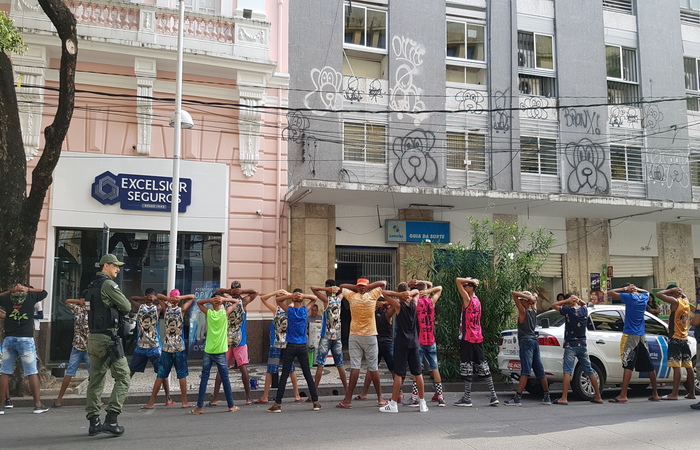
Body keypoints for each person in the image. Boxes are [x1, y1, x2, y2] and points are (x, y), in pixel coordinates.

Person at [84, 254, 132, 435]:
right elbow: (126, 305)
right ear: (106, 266)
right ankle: (111, 419)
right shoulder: (108, 285)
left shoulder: (91, 286)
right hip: (108, 339)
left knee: (95, 380)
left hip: (93, 338)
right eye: (115, 266)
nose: (118, 269)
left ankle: (93, 422)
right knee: (124, 377)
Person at [267, 289, 322, 413]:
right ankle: (316, 402)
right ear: (302, 300)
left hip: (290, 345)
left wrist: (292, 295)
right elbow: (314, 298)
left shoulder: (290, 311)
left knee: (285, 374)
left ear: (292, 300)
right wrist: (302, 296)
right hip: (302, 345)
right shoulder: (304, 311)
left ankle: (277, 403)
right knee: (307, 374)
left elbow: (278, 300)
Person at [337, 278, 388, 409]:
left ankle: (348, 400)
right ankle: (380, 399)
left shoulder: (352, 296)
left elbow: (342, 285)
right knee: (373, 368)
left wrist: (356, 287)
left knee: (355, 367)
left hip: (354, 335)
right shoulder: (372, 296)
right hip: (370, 335)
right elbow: (383, 283)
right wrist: (367, 287)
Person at [606, 283, 660, 403]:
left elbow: (609, 292)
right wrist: (636, 288)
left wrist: (625, 289)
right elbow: (646, 291)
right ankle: (655, 393)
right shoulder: (643, 298)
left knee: (628, 364)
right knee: (649, 365)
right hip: (641, 335)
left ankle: (623, 395)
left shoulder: (630, 298)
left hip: (630, 335)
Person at [0, 284, 49, 415]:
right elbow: (44, 292)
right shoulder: (31, 297)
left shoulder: (8, 299)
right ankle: (38, 404)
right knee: (32, 372)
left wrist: (10, 291)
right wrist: (28, 289)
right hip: (26, 339)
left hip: (9, 339)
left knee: (5, 372)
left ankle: (1, 406)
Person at [379, 282, 428, 413]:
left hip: (401, 343)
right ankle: (423, 403)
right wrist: (408, 293)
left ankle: (393, 403)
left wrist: (398, 294)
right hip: (414, 342)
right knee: (417, 373)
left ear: (400, 293)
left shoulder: (398, 305)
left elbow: (383, 293)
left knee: (399, 374)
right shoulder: (414, 303)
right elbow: (417, 292)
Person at [142, 289, 195, 409]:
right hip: (179, 348)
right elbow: (192, 297)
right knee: (182, 375)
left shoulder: (166, 309)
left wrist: (168, 299)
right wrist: (180, 298)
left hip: (166, 348)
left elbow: (159, 297)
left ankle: (151, 402)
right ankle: (184, 401)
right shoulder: (181, 310)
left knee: (160, 375)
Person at [190, 293, 240, 414]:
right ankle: (231, 405)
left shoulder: (209, 313)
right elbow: (236, 302)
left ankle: (199, 407)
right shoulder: (224, 313)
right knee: (225, 379)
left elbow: (198, 303)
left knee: (204, 378)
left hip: (208, 350)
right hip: (220, 351)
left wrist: (211, 300)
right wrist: (223, 299)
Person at [209, 281, 258, 406]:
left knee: (228, 368)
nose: (235, 290)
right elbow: (218, 291)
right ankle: (248, 398)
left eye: (237, 289)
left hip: (231, 340)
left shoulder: (231, 301)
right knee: (239, 367)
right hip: (236, 340)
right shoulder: (230, 301)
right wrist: (230, 292)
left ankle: (215, 399)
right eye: (234, 288)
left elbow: (255, 292)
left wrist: (239, 291)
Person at [454, 277, 499, 407]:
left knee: (467, 367)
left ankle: (467, 397)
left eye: (466, 285)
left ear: (471, 287)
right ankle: (493, 395)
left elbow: (457, 280)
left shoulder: (468, 299)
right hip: (478, 336)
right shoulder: (477, 301)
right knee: (482, 365)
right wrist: (472, 281)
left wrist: (472, 281)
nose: (464, 287)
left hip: (468, 337)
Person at [550, 293, 603, 405]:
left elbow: (554, 305)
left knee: (567, 371)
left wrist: (566, 301)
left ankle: (564, 397)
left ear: (569, 301)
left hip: (571, 344)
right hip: (582, 344)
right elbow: (584, 304)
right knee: (589, 370)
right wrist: (578, 300)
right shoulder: (584, 310)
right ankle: (598, 396)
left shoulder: (568, 310)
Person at [504, 290, 551, 406]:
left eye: (522, 301)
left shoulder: (523, 312)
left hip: (526, 342)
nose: (520, 303)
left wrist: (527, 297)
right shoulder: (534, 310)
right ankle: (547, 397)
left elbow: (514, 294)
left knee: (525, 371)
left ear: (525, 302)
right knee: (540, 370)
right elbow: (535, 296)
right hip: (534, 342)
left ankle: (517, 397)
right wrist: (532, 297)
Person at [256, 289, 303, 404]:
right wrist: (278, 293)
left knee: (272, 370)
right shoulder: (288, 309)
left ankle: (265, 396)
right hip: (284, 344)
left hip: (277, 344)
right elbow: (262, 298)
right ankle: (296, 395)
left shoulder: (282, 309)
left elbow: (263, 299)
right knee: (289, 369)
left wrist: (282, 294)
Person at [129, 288, 172, 405]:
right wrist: (143, 299)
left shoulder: (157, 308)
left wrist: (156, 298)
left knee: (162, 373)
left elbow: (167, 303)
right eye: (147, 297)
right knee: (131, 370)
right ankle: (120, 393)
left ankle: (168, 398)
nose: (148, 299)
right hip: (141, 346)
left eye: (150, 297)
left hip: (154, 347)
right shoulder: (140, 307)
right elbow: (131, 298)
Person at [656, 285, 695, 401]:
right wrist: (681, 293)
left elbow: (659, 294)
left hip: (674, 338)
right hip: (684, 338)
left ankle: (674, 393)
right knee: (689, 367)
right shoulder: (686, 301)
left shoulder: (675, 301)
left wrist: (670, 291)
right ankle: (692, 393)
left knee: (676, 367)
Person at [409, 280, 445, 407]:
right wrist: (429, 291)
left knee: (417, 370)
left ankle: (414, 397)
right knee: (435, 367)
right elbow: (439, 288)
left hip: (419, 340)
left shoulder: (415, 302)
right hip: (431, 339)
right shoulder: (431, 302)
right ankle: (440, 397)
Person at [310, 280, 348, 394]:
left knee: (320, 364)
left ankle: (314, 393)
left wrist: (329, 289)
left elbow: (313, 288)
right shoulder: (339, 299)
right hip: (337, 336)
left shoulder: (326, 300)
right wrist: (336, 289)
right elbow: (345, 289)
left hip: (325, 336)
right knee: (340, 364)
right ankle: (347, 391)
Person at [53, 297, 91, 407]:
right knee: (93, 375)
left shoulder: (77, 309)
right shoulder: (92, 313)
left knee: (69, 373)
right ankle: (93, 400)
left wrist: (79, 301)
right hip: (88, 347)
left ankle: (59, 400)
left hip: (77, 345)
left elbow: (67, 301)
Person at [356, 297, 395, 401]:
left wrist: (383, 304)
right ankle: (399, 393)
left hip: (378, 343)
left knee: (371, 369)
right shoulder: (387, 314)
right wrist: (387, 303)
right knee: (392, 370)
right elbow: (397, 304)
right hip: (387, 344)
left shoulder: (374, 314)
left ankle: (364, 393)